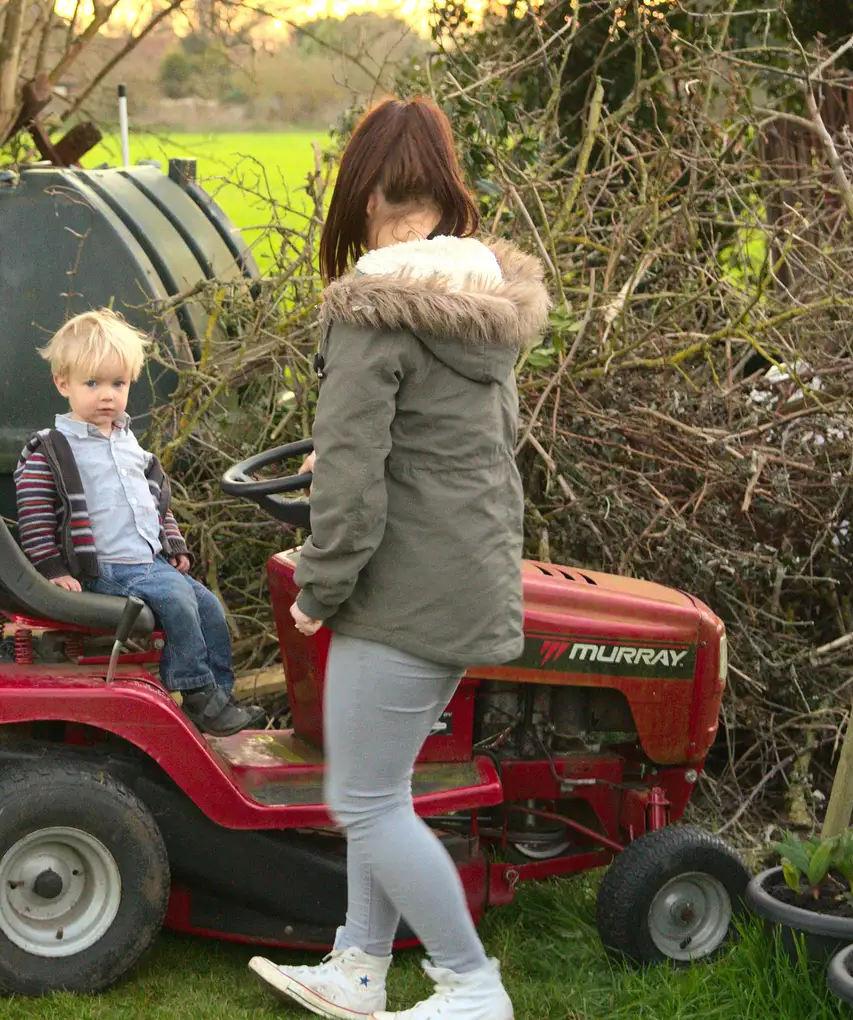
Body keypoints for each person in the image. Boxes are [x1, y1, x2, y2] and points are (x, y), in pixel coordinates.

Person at [247, 96, 550, 1020]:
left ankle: (470, 984)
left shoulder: (372, 306)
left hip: (402, 591)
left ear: (365, 196)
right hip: (465, 572)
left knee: (365, 796)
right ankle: (360, 966)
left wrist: (319, 585)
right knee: (385, 789)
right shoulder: (478, 299)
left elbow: (352, 477)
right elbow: (455, 448)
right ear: (445, 192)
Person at [14, 308, 264, 737]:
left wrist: (175, 544)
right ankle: (196, 692)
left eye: (118, 383)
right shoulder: (52, 450)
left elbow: (156, 504)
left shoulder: (131, 446)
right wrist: (52, 569)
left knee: (208, 607)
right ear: (63, 383)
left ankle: (221, 696)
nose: (106, 395)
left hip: (149, 564)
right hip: (105, 568)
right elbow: (33, 513)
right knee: (179, 603)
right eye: (92, 384)